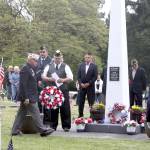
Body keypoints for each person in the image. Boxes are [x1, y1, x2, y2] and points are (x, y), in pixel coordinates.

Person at [11, 53, 54, 136]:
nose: (36, 62)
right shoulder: (25, 69)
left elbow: (32, 80)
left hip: (30, 95)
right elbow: (23, 84)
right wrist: (26, 97)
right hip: (28, 96)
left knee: (21, 113)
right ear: (30, 60)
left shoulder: (30, 68)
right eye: (35, 61)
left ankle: (15, 130)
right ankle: (42, 130)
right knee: (36, 112)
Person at [42, 50, 73, 132]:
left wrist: (63, 80)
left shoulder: (65, 66)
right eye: (56, 58)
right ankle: (53, 125)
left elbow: (70, 78)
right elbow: (43, 76)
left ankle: (66, 126)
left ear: (61, 58)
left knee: (65, 108)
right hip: (52, 90)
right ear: (53, 58)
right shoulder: (49, 66)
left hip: (63, 90)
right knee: (53, 108)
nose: (57, 60)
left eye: (59, 58)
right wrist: (50, 79)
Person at [77, 52, 98, 117]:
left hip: (90, 87)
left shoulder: (94, 66)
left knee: (91, 102)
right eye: (86, 57)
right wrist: (81, 84)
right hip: (82, 87)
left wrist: (88, 83)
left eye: (88, 57)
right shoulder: (80, 65)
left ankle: (92, 116)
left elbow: (95, 77)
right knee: (80, 102)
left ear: (91, 58)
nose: (87, 59)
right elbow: (78, 76)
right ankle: (80, 115)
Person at [36, 46, 52, 123]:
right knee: (39, 101)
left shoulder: (51, 60)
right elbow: (36, 71)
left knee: (47, 100)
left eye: (43, 52)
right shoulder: (37, 60)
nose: (42, 53)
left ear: (47, 52)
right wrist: (38, 80)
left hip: (47, 83)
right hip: (38, 83)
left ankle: (47, 120)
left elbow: (51, 72)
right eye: (41, 52)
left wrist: (45, 80)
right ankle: (39, 119)